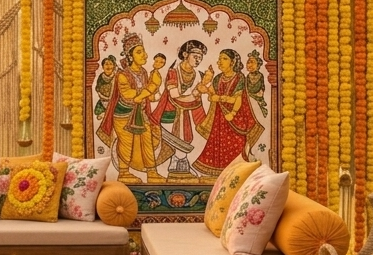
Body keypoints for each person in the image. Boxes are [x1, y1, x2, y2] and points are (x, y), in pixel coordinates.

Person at [95, 34, 172, 183]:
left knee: (147, 141)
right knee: (126, 143)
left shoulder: (143, 72)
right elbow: (132, 96)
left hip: (140, 114)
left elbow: (144, 96)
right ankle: (123, 173)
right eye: (139, 52)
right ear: (130, 56)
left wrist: (154, 92)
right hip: (123, 115)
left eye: (143, 51)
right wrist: (152, 86)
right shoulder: (122, 75)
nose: (144, 55)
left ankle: (152, 173)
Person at [192, 49, 264, 176]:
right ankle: (217, 172)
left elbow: (238, 99)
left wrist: (227, 107)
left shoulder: (239, 77)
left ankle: (236, 172)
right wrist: (204, 87)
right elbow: (211, 93)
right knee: (218, 144)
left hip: (235, 118)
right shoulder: (218, 78)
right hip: (220, 117)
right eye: (219, 59)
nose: (219, 62)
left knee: (235, 144)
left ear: (233, 62)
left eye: (224, 59)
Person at [151, 39, 207, 176]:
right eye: (195, 56)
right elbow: (175, 95)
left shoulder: (199, 75)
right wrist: (197, 92)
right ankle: (172, 164)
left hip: (187, 112)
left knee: (186, 137)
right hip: (169, 112)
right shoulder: (173, 72)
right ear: (185, 54)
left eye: (200, 57)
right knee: (170, 142)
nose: (198, 60)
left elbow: (203, 96)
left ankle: (181, 164)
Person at [243, 50, 269, 116]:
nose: (249, 65)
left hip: (258, 99)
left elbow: (262, 88)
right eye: (248, 62)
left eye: (252, 62)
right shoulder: (247, 77)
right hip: (249, 99)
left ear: (258, 65)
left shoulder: (260, 76)